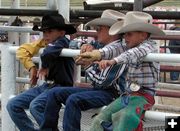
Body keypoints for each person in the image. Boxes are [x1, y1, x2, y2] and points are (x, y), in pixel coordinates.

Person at [34, 9, 127, 131]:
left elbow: (102, 82)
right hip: (102, 91)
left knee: (72, 100)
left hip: (111, 94)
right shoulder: (101, 46)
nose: (97, 31)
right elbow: (73, 44)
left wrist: (87, 65)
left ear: (112, 31)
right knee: (54, 93)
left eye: (99, 28)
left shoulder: (118, 50)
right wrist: (84, 46)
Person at [78, 11, 165, 131]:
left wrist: (113, 61)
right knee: (100, 118)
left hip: (143, 96)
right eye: (124, 34)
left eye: (129, 34)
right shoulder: (129, 46)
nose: (125, 38)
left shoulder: (149, 46)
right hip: (129, 95)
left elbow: (132, 53)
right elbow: (115, 48)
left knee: (126, 117)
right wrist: (98, 53)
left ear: (143, 35)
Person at [6, 13, 76, 131]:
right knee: (13, 105)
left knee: (36, 106)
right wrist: (32, 67)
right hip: (48, 86)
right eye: (44, 32)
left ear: (62, 33)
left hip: (61, 87)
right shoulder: (46, 43)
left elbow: (48, 52)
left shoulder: (63, 42)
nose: (46, 35)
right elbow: (23, 50)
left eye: (49, 31)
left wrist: (45, 67)